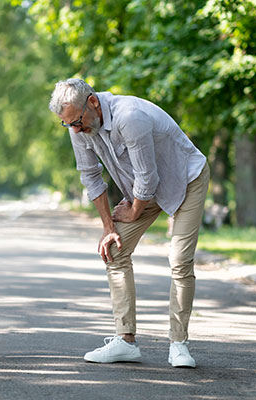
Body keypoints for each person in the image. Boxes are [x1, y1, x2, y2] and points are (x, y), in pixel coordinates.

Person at [48, 78, 209, 368]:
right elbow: (90, 176)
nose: (74, 129)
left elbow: (149, 177)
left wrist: (134, 211)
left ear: (93, 102)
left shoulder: (129, 117)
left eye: (77, 121)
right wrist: (109, 228)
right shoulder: (79, 126)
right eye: (67, 124)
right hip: (144, 191)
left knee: (179, 260)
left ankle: (179, 345)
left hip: (185, 180)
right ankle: (125, 341)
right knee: (114, 249)